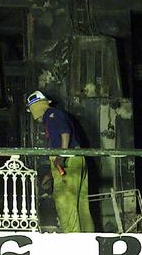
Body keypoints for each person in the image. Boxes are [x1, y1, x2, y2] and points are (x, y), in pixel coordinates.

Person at [26, 90, 95, 233]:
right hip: (76, 159)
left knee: (65, 202)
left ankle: (72, 243)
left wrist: (62, 155)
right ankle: (89, 241)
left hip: (68, 160)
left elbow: (65, 133)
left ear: (36, 106)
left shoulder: (51, 115)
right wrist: (51, 174)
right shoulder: (55, 116)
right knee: (81, 205)